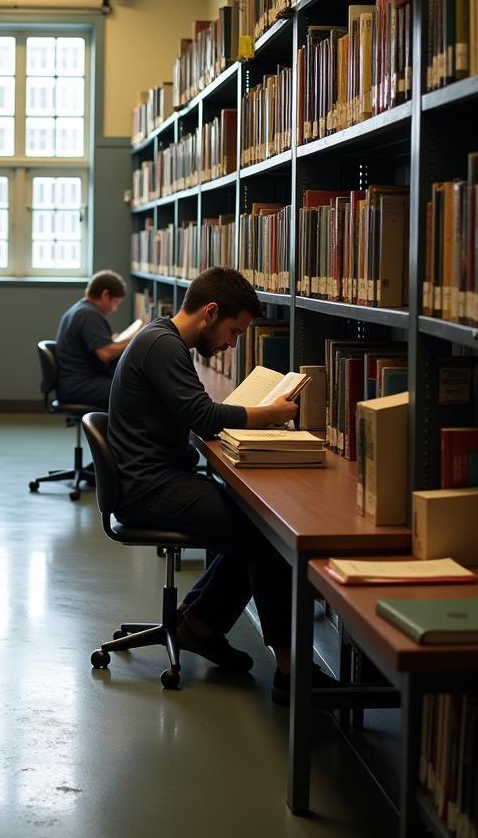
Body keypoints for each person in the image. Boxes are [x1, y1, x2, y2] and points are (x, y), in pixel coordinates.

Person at [107, 266, 334, 704]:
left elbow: (197, 412)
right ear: (210, 312)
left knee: (251, 525)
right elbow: (205, 418)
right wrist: (267, 414)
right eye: (234, 331)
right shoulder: (162, 346)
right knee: (267, 536)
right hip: (148, 488)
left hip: (154, 477)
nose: (233, 343)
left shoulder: (165, 340)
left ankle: (200, 624)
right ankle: (292, 673)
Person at [55, 270, 137, 410]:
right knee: (135, 392)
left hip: (72, 382)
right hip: (80, 385)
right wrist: (136, 339)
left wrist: (113, 341)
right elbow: (105, 354)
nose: (115, 308)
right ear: (105, 295)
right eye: (115, 302)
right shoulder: (89, 315)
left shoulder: (79, 309)